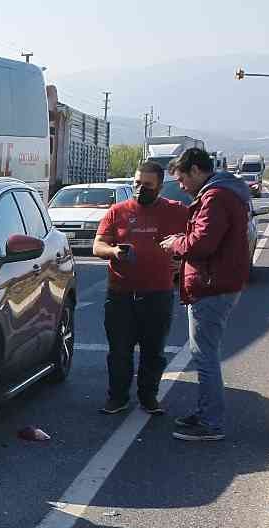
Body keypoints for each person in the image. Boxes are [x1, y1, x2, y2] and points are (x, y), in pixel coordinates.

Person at [158, 148, 253, 442]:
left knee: (204, 356)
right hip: (216, 281)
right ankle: (205, 412)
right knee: (204, 354)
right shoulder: (223, 193)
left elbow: (202, 244)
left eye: (183, 179)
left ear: (197, 170)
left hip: (211, 286)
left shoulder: (215, 198)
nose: (182, 186)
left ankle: (211, 422)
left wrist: (176, 243)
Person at [91, 161, 190, 415]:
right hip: (121, 295)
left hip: (157, 294)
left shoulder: (176, 211)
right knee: (119, 351)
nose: (139, 188)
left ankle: (148, 396)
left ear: (159, 187)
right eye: (136, 183)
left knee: (153, 351)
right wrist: (114, 251)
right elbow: (97, 246)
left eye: (147, 185)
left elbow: (195, 239)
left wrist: (184, 260)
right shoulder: (117, 211)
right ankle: (117, 397)